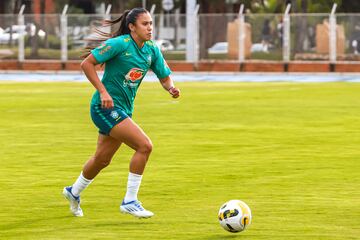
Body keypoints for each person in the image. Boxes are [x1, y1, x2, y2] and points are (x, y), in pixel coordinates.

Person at [62, 7, 180, 218]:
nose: (150, 28)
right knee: (144, 146)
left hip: (122, 110)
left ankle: (73, 191)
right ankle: (130, 200)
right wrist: (103, 91)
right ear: (132, 27)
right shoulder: (119, 44)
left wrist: (170, 88)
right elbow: (87, 64)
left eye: (151, 23)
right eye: (145, 24)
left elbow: (164, 77)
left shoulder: (152, 49)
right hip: (104, 107)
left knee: (102, 159)